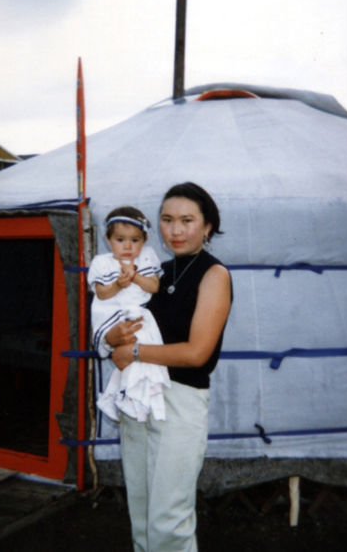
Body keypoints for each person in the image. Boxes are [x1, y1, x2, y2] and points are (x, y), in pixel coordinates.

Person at [102, 182, 233, 552]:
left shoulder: (214, 275)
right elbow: (124, 326)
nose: (175, 230)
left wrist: (136, 352)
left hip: (181, 400)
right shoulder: (156, 273)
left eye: (187, 220)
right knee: (142, 509)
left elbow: (197, 353)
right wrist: (115, 339)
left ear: (207, 226)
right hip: (140, 398)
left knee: (169, 518)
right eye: (167, 220)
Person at [89, 206, 168, 423]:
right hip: (110, 315)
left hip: (136, 315)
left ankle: (120, 396)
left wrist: (135, 277)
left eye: (135, 240)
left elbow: (153, 286)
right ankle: (132, 395)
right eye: (120, 239)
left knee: (136, 356)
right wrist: (117, 284)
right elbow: (102, 293)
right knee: (133, 355)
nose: (127, 246)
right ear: (108, 239)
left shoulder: (146, 258)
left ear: (144, 241)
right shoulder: (102, 263)